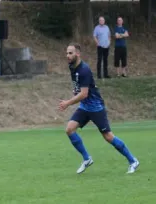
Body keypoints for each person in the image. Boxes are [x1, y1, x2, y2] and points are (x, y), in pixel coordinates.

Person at [58, 44, 139, 174]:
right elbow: (78, 86)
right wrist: (75, 90)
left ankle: (133, 160)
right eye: (67, 53)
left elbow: (84, 93)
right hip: (85, 106)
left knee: (108, 136)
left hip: (95, 107)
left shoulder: (84, 69)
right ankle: (87, 159)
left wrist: (68, 102)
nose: (67, 55)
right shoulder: (71, 66)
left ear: (78, 54)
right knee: (69, 129)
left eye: (70, 53)